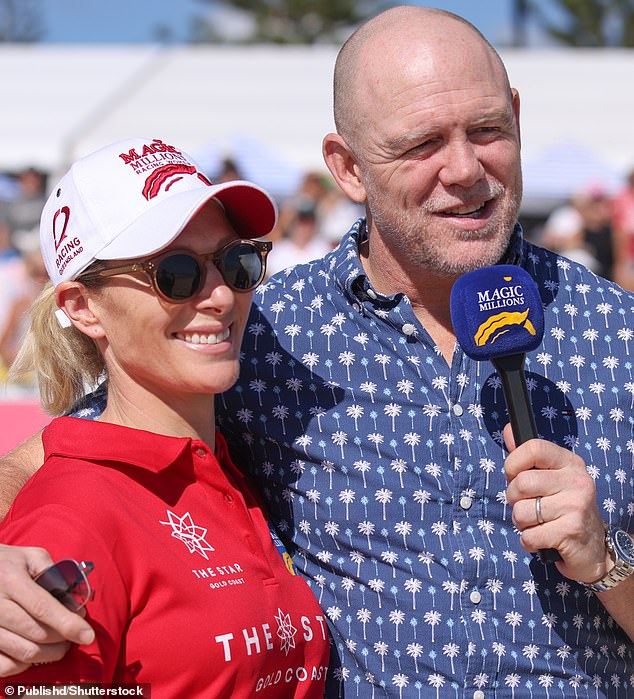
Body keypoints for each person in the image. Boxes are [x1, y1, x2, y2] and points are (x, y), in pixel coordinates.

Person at [0, 7, 632, 697]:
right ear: (348, 168)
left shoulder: (618, 331)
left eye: (487, 130)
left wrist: (609, 562)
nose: (464, 168)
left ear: (516, 115)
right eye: (422, 143)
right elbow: (67, 454)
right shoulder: (266, 332)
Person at [0, 137, 330, 696]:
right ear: (82, 307)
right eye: (176, 273)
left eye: (237, 261)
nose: (222, 295)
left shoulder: (232, 466)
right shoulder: (66, 520)